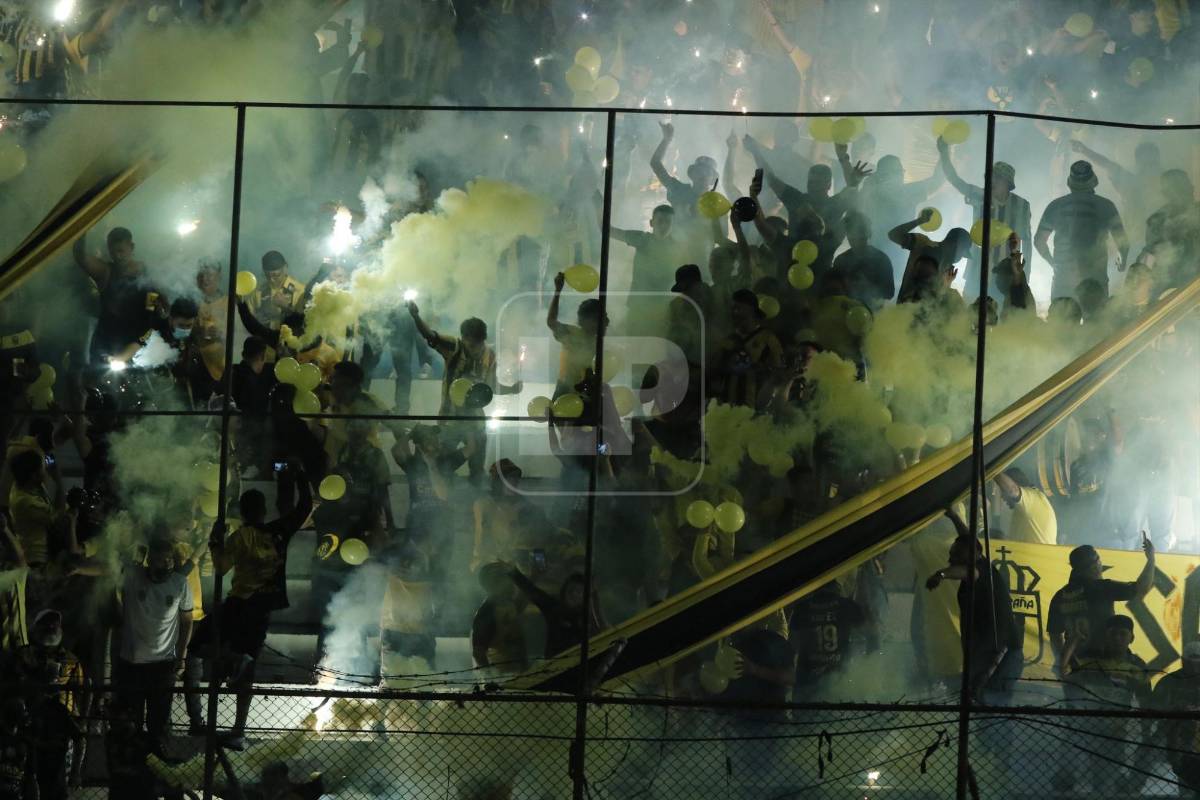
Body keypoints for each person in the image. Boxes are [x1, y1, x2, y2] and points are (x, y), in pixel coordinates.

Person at [190, 471, 313, 750]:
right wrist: (300, 477)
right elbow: (304, 507)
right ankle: (238, 729)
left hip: (239, 603)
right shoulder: (278, 532)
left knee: (197, 646)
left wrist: (215, 541)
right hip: (263, 608)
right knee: (247, 674)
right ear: (264, 511)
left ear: (243, 513)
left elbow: (221, 568)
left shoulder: (240, 537)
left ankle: (233, 660)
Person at [925, 525, 1023, 707]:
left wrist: (941, 574)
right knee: (980, 706)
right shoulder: (978, 559)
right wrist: (953, 517)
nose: (950, 559)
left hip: (1001, 654)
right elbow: (968, 539)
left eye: (955, 555)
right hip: (988, 651)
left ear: (973, 554)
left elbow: (967, 571)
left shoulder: (980, 570)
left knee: (990, 706)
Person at [115, 537, 194, 755]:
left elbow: (187, 621)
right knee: (131, 722)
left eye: (169, 560)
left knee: (158, 724)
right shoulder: (132, 576)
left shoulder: (180, 583)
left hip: (163, 664)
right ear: (149, 560)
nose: (166, 564)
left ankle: (156, 763)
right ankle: (133, 763)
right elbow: (116, 561)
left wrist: (182, 657)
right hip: (131, 662)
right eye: (160, 560)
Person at [1061, 614, 1154, 794]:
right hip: (1083, 729)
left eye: (1122, 634)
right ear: (1105, 635)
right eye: (1113, 634)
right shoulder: (1090, 657)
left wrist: (1145, 734)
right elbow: (1064, 674)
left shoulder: (1137, 666)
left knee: (1104, 783)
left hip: (1114, 733)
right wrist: (1073, 641)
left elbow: (1145, 702)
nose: (1117, 638)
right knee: (1066, 778)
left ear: (1132, 638)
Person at [937, 138, 1032, 303]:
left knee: (1002, 312)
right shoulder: (980, 195)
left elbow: (1027, 241)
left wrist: (1024, 275)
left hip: (1006, 274)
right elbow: (955, 180)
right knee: (971, 311)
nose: (992, 181)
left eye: (998, 178)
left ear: (1008, 183)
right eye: (991, 177)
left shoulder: (1021, 205)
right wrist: (944, 154)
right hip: (977, 270)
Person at [1046, 536, 1154, 676]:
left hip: (1075, 667)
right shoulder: (1101, 588)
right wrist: (1151, 559)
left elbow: (1055, 636)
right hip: (1103, 664)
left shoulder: (1060, 596)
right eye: (1099, 560)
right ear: (1094, 566)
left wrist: (1064, 662)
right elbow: (1140, 589)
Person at [9, 610, 83, 800]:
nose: (51, 628)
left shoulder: (71, 660)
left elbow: (80, 692)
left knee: (58, 782)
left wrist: (78, 718)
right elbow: (14, 686)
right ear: (36, 628)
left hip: (61, 727)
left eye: (54, 625)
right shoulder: (23, 655)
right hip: (31, 723)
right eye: (46, 624)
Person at [1034, 160, 1130, 300]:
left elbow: (1039, 241)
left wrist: (1053, 263)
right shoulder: (1106, 206)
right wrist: (1122, 261)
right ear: (1093, 182)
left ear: (1070, 183)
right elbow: (1123, 242)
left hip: (1063, 279)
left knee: (1063, 314)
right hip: (1095, 280)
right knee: (1096, 314)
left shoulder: (1055, 206)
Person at [73, 228, 165, 365]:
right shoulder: (106, 271)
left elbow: (156, 305)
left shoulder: (146, 271)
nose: (117, 256)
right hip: (106, 345)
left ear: (131, 247)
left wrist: (160, 311)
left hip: (138, 344)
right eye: (113, 252)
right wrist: (82, 226)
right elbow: (81, 256)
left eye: (121, 251)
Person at [789, 581, 866, 701]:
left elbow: (793, 645)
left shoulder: (802, 608)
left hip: (808, 678)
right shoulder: (848, 606)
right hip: (839, 679)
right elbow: (866, 634)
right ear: (837, 588)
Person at [711, 289, 782, 408]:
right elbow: (714, 371)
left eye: (738, 308)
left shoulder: (768, 338)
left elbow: (779, 372)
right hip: (725, 408)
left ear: (751, 309)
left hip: (754, 407)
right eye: (732, 308)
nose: (733, 312)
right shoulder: (728, 340)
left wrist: (762, 370)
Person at [547, 273, 609, 399]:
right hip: (566, 390)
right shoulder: (572, 333)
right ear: (585, 320)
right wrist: (557, 291)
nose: (601, 323)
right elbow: (551, 322)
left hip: (585, 393)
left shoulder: (597, 341)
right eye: (597, 319)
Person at [890, 211, 973, 303]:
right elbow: (894, 235)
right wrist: (920, 221)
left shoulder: (948, 269)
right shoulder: (923, 243)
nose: (961, 257)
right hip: (907, 307)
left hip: (925, 310)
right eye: (962, 252)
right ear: (956, 244)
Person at [1152, 641, 1200, 794]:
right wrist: (1175, 710)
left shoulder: (1168, 681)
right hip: (1170, 733)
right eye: (1193, 658)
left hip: (1194, 737)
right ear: (1183, 660)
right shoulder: (1169, 681)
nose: (1196, 663)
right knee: (1147, 752)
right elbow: (1153, 708)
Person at [1140, 169, 1200, 290]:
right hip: (1175, 290)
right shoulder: (1157, 222)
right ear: (1167, 193)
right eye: (1184, 186)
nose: (1191, 188)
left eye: (1188, 185)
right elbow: (1149, 257)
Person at [610, 204, 684, 296]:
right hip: (639, 301)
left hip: (665, 301)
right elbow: (609, 231)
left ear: (673, 225)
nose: (663, 225)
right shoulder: (642, 239)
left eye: (668, 222)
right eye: (660, 221)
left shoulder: (678, 248)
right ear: (651, 223)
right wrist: (599, 206)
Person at [470, 562, 528, 673]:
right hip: (503, 676)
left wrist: (534, 576)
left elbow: (522, 601)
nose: (512, 584)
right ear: (493, 584)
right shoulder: (486, 612)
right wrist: (490, 677)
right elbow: (478, 652)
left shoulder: (506, 604)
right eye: (507, 579)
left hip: (516, 672)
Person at [832, 210, 894, 308]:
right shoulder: (840, 260)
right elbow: (833, 291)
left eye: (860, 233)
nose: (856, 238)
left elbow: (889, 293)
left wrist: (868, 289)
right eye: (850, 233)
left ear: (868, 234)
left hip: (873, 312)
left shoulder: (881, 259)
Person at [992, 468, 1057, 545]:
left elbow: (1012, 490)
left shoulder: (1033, 498)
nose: (1002, 497)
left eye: (1003, 490)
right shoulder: (1024, 507)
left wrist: (990, 469)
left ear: (1016, 484)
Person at [248, 251, 306, 332]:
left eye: (276, 275)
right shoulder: (258, 292)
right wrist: (255, 319)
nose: (271, 280)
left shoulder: (301, 291)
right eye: (267, 276)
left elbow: (306, 323)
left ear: (285, 268)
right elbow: (246, 320)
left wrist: (286, 307)